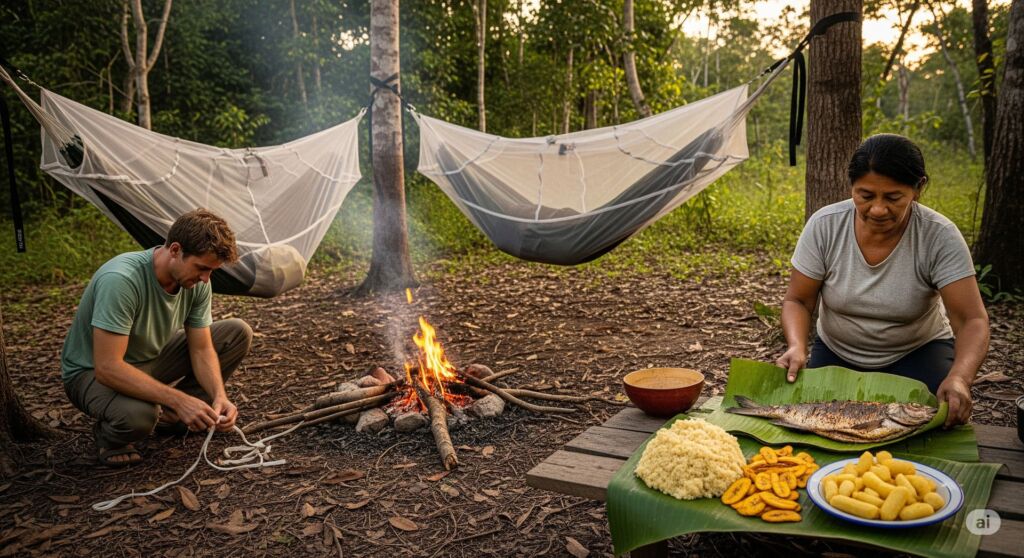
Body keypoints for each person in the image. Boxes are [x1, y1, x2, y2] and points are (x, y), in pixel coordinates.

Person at [776, 134, 989, 428]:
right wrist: (797, 345)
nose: (877, 209)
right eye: (865, 196)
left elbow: (971, 320)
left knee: (934, 423)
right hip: (837, 351)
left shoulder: (939, 236)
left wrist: (960, 378)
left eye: (893, 197)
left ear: (918, 189)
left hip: (916, 351)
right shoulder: (825, 225)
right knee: (812, 423)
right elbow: (798, 300)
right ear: (851, 187)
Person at [61, 209, 253, 466]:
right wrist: (178, 399)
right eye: (202, 268)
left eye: (212, 271)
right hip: (91, 373)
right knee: (139, 416)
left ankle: (178, 417)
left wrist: (219, 396)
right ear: (175, 250)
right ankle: (111, 438)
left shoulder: (196, 283)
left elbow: (202, 350)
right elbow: (107, 368)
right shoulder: (121, 281)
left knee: (236, 332)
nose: (206, 279)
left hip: (149, 360)